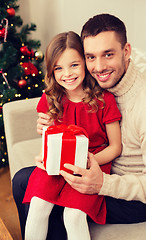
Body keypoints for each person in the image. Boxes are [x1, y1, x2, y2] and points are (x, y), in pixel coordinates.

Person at [12, 14, 146, 239]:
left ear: (127, 51)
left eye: (108, 54)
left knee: (57, 209)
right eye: (91, 57)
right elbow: (73, 111)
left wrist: (101, 183)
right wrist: (50, 130)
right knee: (23, 181)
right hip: (93, 167)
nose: (99, 66)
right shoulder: (101, 83)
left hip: (134, 196)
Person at [22, 31, 122, 240]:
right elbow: (47, 134)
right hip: (57, 162)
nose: (67, 73)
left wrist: (88, 161)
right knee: (38, 205)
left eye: (74, 65)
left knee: (74, 216)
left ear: (85, 63)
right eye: (58, 68)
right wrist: (44, 150)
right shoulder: (51, 97)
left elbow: (115, 147)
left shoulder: (105, 100)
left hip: (90, 163)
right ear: (51, 70)